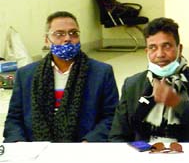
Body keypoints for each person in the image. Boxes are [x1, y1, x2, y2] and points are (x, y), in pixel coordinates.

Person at [3, 11, 119, 142]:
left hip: (83, 148)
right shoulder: (26, 74)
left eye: (73, 33)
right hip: (36, 150)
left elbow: (112, 117)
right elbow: (14, 119)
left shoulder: (101, 73)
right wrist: (19, 144)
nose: (68, 39)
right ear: (47, 40)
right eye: (59, 34)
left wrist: (89, 142)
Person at [109, 17, 189, 142]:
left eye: (167, 46)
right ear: (146, 51)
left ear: (179, 49)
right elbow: (117, 136)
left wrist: (178, 105)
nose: (160, 54)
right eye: (153, 48)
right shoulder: (132, 84)